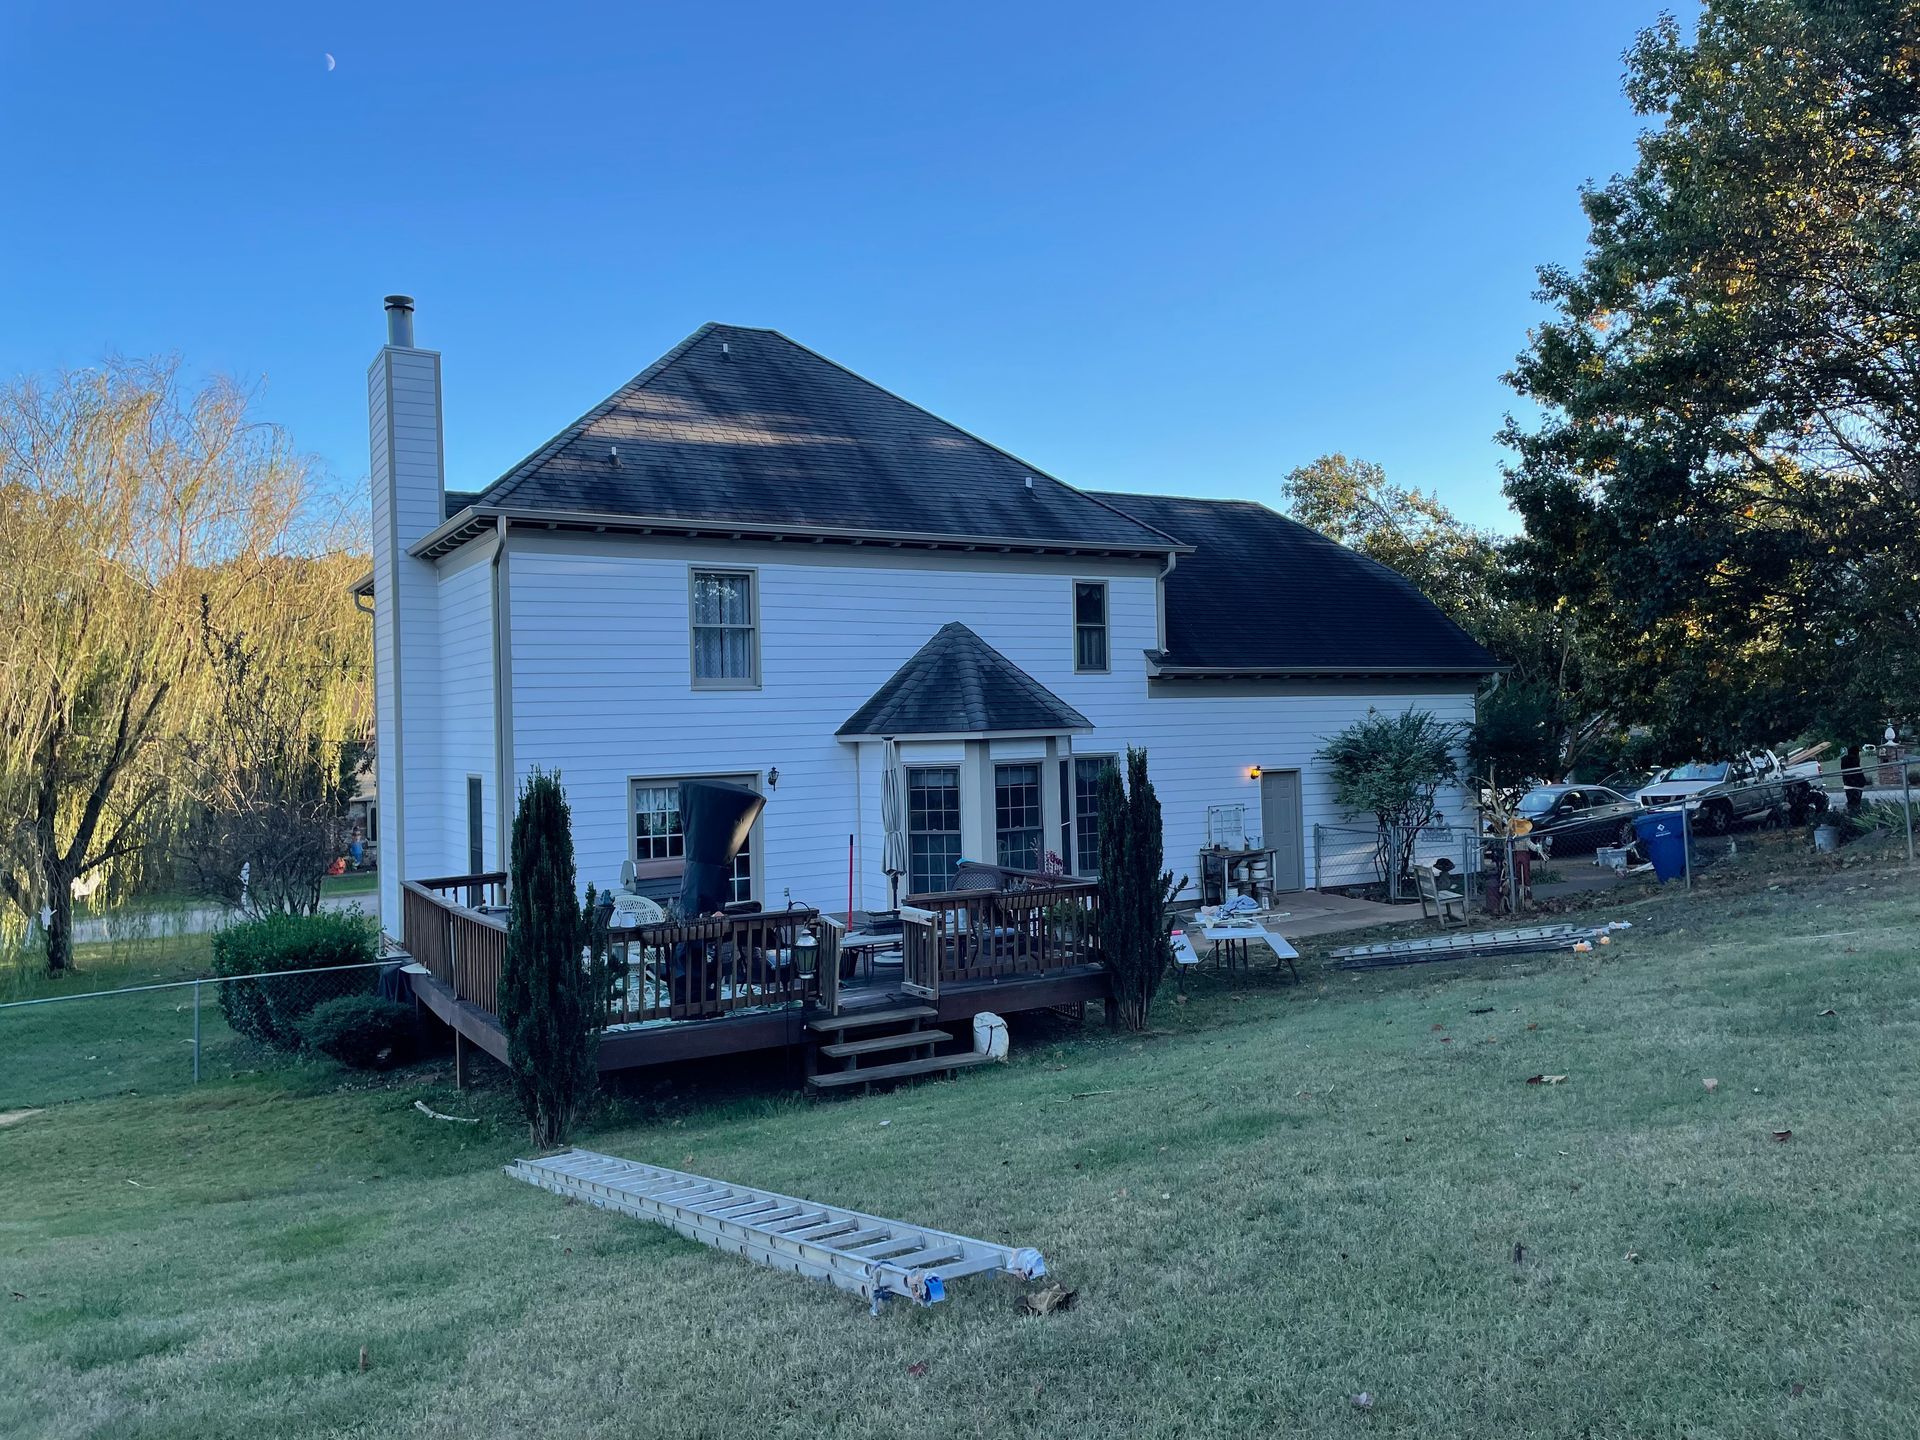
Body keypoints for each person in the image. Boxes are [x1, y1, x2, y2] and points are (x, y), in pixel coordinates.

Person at [1841, 745, 1867, 813]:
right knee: (1857, 802)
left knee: (1851, 802)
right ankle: (1856, 813)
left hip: (1847, 784)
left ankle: (1851, 813)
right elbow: (1858, 771)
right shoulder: (1855, 759)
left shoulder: (1844, 759)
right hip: (1857, 784)